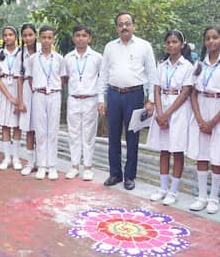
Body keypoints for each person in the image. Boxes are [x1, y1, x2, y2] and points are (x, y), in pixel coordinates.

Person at [100, 12, 157, 190]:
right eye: (120, 24)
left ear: (134, 26)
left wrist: (151, 100)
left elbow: (152, 74)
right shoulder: (110, 47)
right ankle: (115, 174)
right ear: (116, 28)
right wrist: (101, 99)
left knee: (133, 136)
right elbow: (104, 74)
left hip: (135, 95)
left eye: (127, 23)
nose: (124, 27)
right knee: (113, 136)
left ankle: (130, 176)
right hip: (114, 94)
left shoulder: (144, 46)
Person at [187, 26, 220, 214]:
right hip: (201, 108)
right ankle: (202, 196)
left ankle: (214, 197)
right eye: (208, 38)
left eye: (215, 38)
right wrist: (199, 118)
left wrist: (214, 121)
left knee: (217, 155)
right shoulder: (199, 65)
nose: (211, 41)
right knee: (202, 154)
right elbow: (193, 93)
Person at [147, 30, 194, 204]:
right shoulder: (161, 66)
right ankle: (162, 188)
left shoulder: (188, 67)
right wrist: (160, 114)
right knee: (164, 150)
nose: (171, 45)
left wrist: (167, 114)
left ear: (182, 44)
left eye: (175, 42)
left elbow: (186, 92)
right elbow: (156, 89)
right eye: (168, 42)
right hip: (162, 108)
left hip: (179, 110)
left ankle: (173, 191)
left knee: (177, 151)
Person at [63, 24, 104, 181]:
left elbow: (102, 79)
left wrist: (101, 100)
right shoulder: (68, 58)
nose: (81, 38)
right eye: (78, 35)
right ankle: (74, 166)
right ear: (73, 38)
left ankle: (87, 167)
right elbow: (66, 78)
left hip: (90, 99)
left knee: (88, 135)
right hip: (73, 99)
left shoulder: (97, 57)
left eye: (84, 35)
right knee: (73, 133)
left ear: (89, 38)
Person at [28, 25, 66, 180]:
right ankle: (42, 165)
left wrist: (53, 89)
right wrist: (39, 89)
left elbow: (62, 78)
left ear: (53, 39)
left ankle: (52, 166)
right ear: (39, 38)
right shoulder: (33, 59)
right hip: (38, 94)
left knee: (53, 131)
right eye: (43, 37)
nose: (46, 40)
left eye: (49, 38)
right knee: (41, 131)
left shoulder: (59, 59)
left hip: (54, 95)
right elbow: (30, 78)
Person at [0, 25, 22, 170]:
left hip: (18, 87)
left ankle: (16, 157)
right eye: (5, 35)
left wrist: (18, 98)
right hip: (3, 90)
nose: (8, 37)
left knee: (16, 125)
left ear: (16, 37)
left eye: (11, 34)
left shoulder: (21, 53)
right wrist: (9, 97)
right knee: (5, 125)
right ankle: (7, 157)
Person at [15, 23, 38, 176]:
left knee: (41, 129)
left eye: (30, 35)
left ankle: (42, 161)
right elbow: (19, 78)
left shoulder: (42, 51)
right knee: (29, 129)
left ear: (36, 35)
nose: (28, 38)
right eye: (25, 35)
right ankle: (30, 162)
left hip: (41, 91)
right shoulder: (20, 54)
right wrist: (20, 100)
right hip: (27, 92)